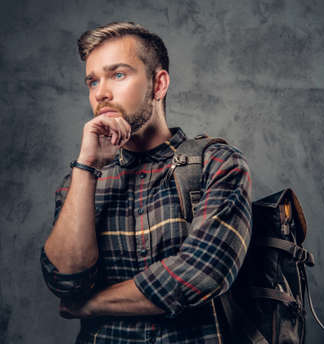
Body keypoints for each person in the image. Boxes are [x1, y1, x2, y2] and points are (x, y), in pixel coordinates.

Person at [40, 21, 252, 344]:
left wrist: (92, 305)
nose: (101, 93)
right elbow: (66, 282)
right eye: (92, 81)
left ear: (159, 84)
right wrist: (87, 166)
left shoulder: (217, 163)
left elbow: (200, 275)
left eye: (118, 75)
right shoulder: (79, 182)